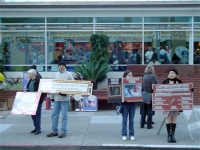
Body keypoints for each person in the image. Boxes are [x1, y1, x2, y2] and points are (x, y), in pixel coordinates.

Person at [47, 61, 74, 138]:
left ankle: (63, 131)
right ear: (58, 66)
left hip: (65, 99)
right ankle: (54, 131)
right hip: (56, 98)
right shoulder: (56, 74)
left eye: (63, 65)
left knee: (64, 116)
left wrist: (66, 92)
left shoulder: (69, 75)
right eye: (60, 65)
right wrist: (52, 97)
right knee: (54, 115)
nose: (61, 66)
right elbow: (53, 86)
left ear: (65, 66)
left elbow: (73, 86)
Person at [162, 68, 182, 143]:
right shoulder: (165, 82)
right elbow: (160, 91)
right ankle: (169, 135)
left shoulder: (179, 82)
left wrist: (190, 90)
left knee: (174, 118)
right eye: (170, 73)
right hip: (167, 103)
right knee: (168, 118)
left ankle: (173, 134)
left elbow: (183, 92)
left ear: (176, 75)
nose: (171, 74)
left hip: (175, 104)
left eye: (173, 73)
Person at [27, 69, 46, 135]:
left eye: (29, 74)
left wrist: (38, 93)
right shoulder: (30, 81)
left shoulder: (39, 80)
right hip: (31, 100)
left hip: (38, 100)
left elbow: (43, 90)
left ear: (33, 74)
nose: (28, 75)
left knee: (37, 115)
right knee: (32, 115)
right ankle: (35, 127)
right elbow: (28, 89)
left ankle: (38, 129)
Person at [140, 65, 158, 129]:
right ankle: (149, 125)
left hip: (144, 93)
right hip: (150, 94)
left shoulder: (144, 76)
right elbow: (156, 85)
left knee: (144, 109)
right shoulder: (153, 76)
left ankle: (142, 124)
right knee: (150, 109)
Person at [121, 70, 136, 141]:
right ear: (125, 76)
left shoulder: (135, 83)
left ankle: (131, 134)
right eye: (129, 75)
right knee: (124, 120)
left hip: (132, 104)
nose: (130, 76)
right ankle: (124, 134)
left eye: (131, 75)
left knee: (131, 120)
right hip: (125, 105)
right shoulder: (122, 83)